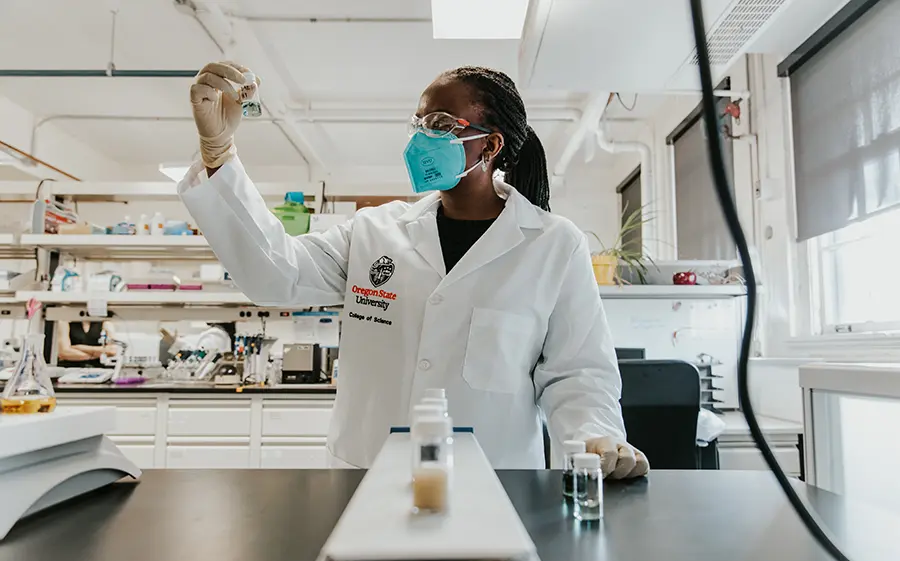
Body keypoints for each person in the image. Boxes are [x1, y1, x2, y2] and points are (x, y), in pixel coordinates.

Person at [179, 61, 649, 478]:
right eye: (420, 122)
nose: (424, 135)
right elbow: (274, 274)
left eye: (442, 123)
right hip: (368, 471)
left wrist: (594, 436)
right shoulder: (374, 231)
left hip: (492, 478)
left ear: (491, 145)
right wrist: (218, 153)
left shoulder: (552, 244)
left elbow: (577, 372)